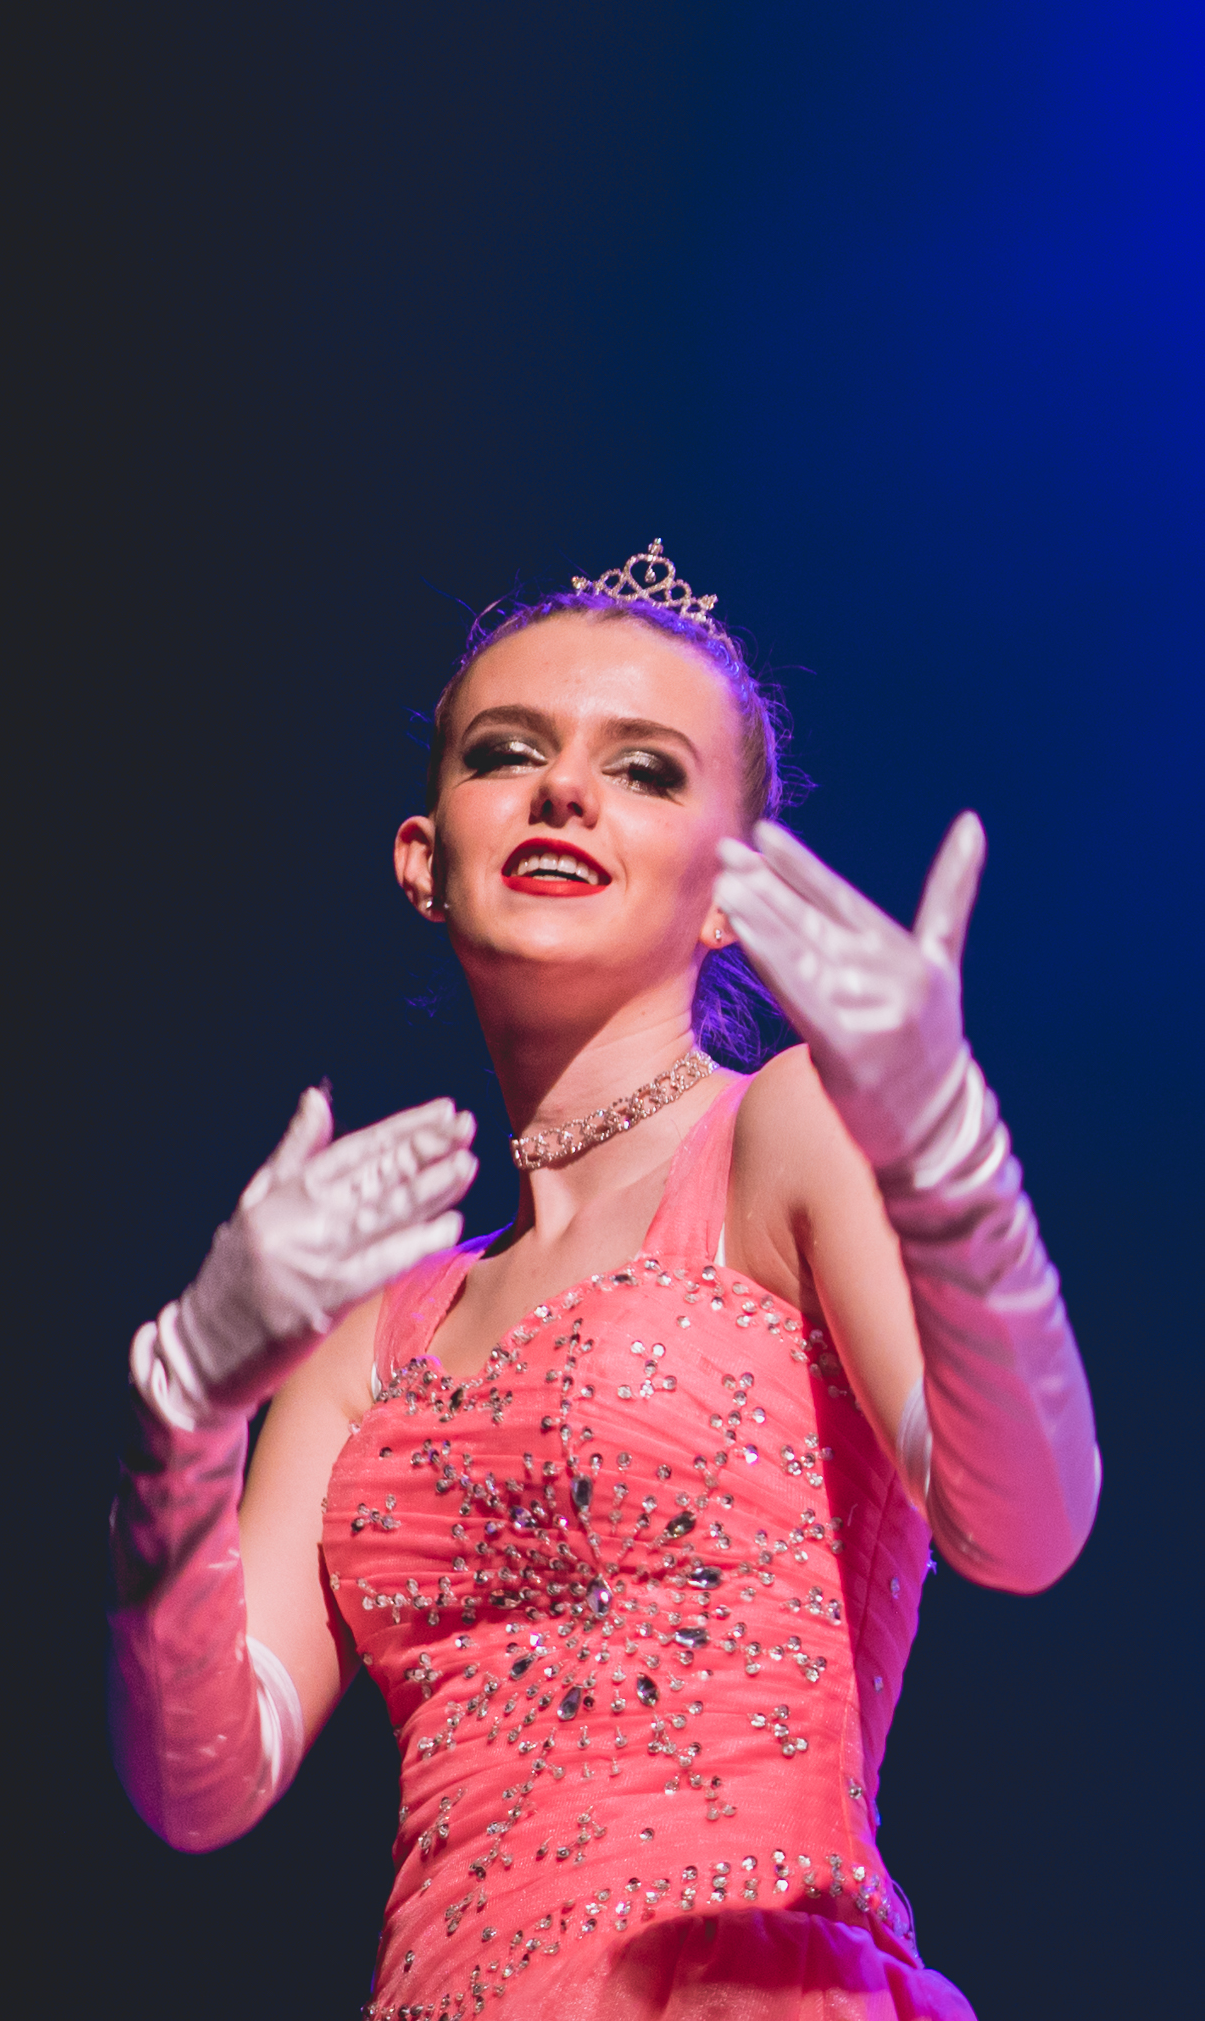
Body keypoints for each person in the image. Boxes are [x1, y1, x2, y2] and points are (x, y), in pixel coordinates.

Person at [109, 542, 1099, 2019]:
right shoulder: (370, 1333)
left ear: (731, 890)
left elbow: (1020, 1525)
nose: (564, 791)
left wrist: (952, 1156)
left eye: (643, 770)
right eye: (507, 754)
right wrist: (184, 1409)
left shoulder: (786, 1136)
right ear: (423, 860)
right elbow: (200, 1782)